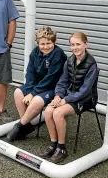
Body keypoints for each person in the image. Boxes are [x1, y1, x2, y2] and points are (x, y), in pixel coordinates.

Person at [39, 32, 99, 163]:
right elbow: (62, 82)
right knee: (49, 111)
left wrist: (66, 100)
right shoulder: (69, 61)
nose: (75, 47)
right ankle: (53, 143)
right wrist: (58, 96)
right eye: (72, 45)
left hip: (86, 99)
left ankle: (61, 148)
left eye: (78, 44)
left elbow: (84, 91)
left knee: (58, 113)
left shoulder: (92, 65)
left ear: (86, 44)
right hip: (69, 95)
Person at [7, 26, 67, 141]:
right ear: (38, 43)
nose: (45, 47)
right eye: (42, 44)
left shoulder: (58, 54)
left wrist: (33, 94)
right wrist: (30, 89)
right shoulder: (35, 52)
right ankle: (27, 125)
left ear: (54, 42)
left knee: (37, 100)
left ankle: (20, 126)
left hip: (53, 87)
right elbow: (30, 72)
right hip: (38, 86)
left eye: (49, 43)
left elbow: (50, 78)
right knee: (18, 93)